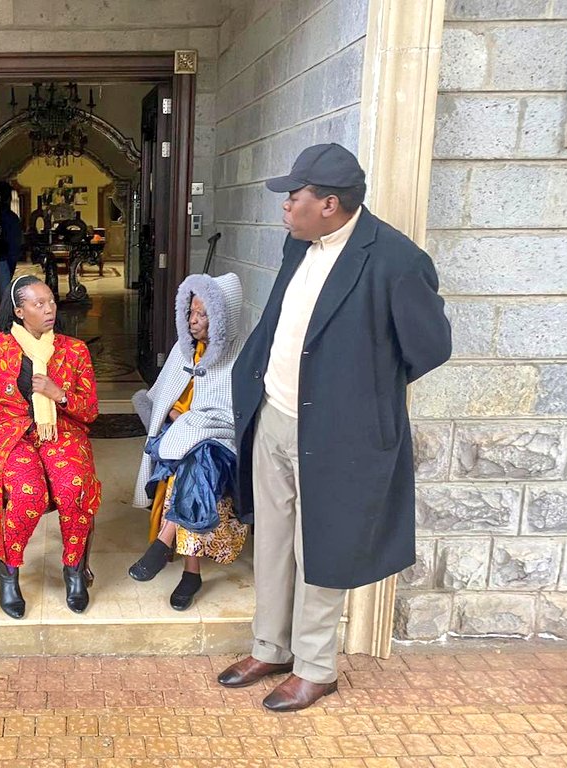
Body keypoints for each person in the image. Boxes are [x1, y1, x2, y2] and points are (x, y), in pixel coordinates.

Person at [218, 144, 452, 711]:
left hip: (337, 437)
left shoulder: (396, 260)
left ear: (328, 203)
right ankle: (271, 647)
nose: (283, 207)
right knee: (272, 543)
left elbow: (430, 347)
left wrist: (357, 392)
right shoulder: (298, 243)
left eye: (292, 198)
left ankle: (316, 668)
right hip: (273, 417)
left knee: (321, 550)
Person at [0, 274, 101, 619]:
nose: (49, 309)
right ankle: (9, 572)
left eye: (51, 301)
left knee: (74, 487)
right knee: (29, 495)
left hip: (60, 432)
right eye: (39, 304)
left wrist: (60, 394)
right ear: (20, 311)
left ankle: (73, 570)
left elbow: (91, 411)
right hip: (7, 434)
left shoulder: (73, 350)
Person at [128, 273, 250, 610]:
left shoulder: (243, 354)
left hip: (223, 441)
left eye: (203, 314)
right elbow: (162, 400)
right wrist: (175, 416)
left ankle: (168, 548)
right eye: (191, 313)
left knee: (202, 459)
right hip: (182, 435)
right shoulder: (185, 351)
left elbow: (238, 414)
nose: (193, 321)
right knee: (194, 464)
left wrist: (200, 425)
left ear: (224, 316)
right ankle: (189, 573)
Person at [0, 181, 22, 297]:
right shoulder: (11, 218)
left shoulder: (9, 217)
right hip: (3, 260)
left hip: (3, 259)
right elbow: (14, 248)